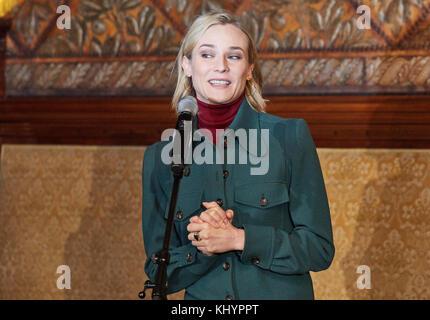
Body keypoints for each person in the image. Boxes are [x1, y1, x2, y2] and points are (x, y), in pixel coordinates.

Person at [142, 10, 335, 300]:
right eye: (207, 55)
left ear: (248, 68)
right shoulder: (162, 157)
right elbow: (158, 272)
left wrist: (239, 239)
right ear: (187, 65)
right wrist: (205, 245)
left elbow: (319, 249)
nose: (220, 66)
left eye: (233, 56)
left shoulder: (288, 137)